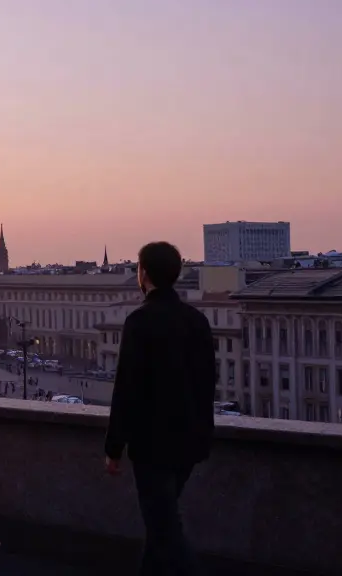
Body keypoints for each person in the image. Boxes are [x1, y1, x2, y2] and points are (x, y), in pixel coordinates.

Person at [104, 241, 214, 575]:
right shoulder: (197, 321)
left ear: (144, 274)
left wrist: (113, 448)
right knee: (160, 526)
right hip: (189, 444)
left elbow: (127, 389)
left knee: (165, 530)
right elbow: (207, 384)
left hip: (152, 445)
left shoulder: (140, 321)